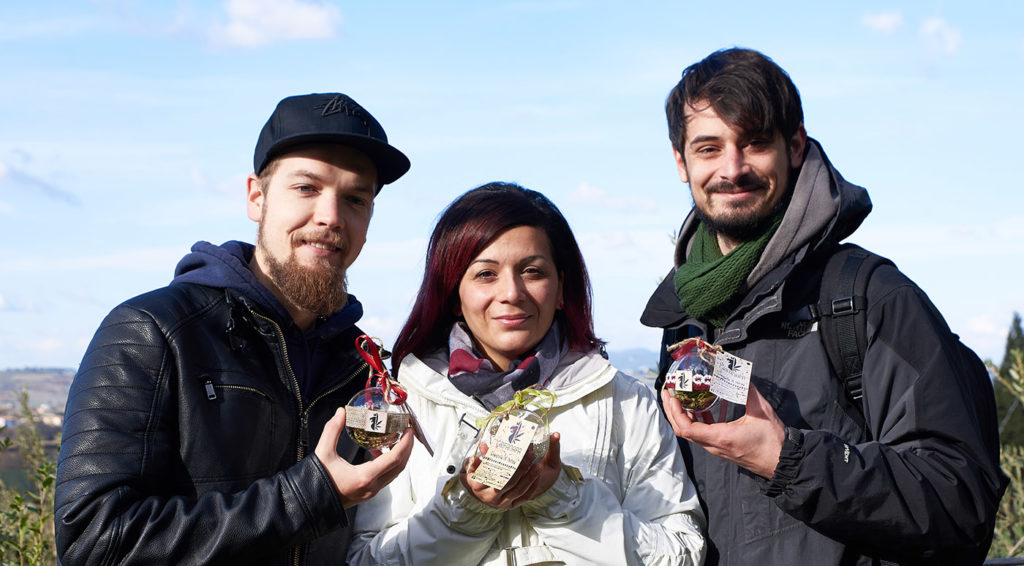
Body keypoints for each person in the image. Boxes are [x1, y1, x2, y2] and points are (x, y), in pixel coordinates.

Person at [641, 47, 1008, 565]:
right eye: (708, 148)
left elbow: (958, 501)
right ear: (681, 162)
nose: (733, 168)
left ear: (795, 146)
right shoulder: (682, 324)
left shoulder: (869, 297)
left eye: (755, 142)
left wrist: (785, 457)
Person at [54, 92, 416, 565]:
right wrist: (311, 496)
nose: (331, 216)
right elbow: (92, 541)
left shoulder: (361, 367)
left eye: (355, 198)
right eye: (306, 188)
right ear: (256, 197)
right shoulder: (154, 331)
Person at [347, 182, 706, 565]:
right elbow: (367, 559)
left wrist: (561, 498)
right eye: (486, 274)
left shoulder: (625, 401)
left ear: (561, 286)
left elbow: (681, 553)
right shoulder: (402, 410)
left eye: (532, 271)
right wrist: (465, 510)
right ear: (453, 294)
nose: (512, 292)